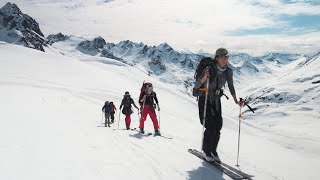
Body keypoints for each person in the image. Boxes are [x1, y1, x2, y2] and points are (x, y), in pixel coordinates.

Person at [194, 48, 244, 162]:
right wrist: (203, 77)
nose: (225, 60)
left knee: (218, 126)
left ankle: (212, 150)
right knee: (210, 125)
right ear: (217, 58)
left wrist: (236, 101)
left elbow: (231, 85)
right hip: (205, 98)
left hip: (216, 99)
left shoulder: (228, 71)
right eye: (223, 57)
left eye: (227, 57)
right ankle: (206, 150)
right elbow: (196, 88)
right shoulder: (208, 70)